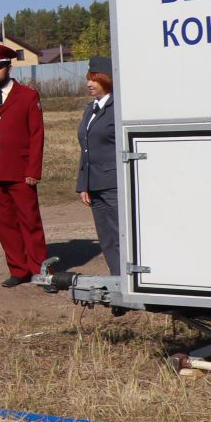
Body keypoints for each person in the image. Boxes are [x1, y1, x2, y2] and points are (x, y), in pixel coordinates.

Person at [0, 43, 48, 288]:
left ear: (8, 67)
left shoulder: (28, 96)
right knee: (5, 224)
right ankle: (18, 268)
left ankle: (40, 269)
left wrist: (33, 170)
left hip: (20, 173)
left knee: (30, 221)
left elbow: (37, 135)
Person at [75, 57, 121, 276]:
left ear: (107, 80)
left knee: (119, 233)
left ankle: (128, 280)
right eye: (88, 80)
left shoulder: (118, 108)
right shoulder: (90, 109)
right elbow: (86, 149)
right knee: (105, 238)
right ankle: (117, 278)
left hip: (113, 184)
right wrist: (84, 184)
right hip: (95, 184)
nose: (89, 84)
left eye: (94, 80)